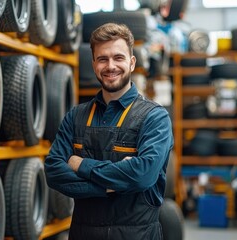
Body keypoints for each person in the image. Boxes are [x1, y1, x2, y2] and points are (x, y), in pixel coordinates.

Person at [44, 23, 174, 240]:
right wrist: (109, 186)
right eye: (102, 59)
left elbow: (142, 174)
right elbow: (54, 172)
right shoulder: (76, 117)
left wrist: (81, 165)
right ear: (94, 64)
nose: (110, 66)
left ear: (132, 63)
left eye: (118, 58)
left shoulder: (154, 117)